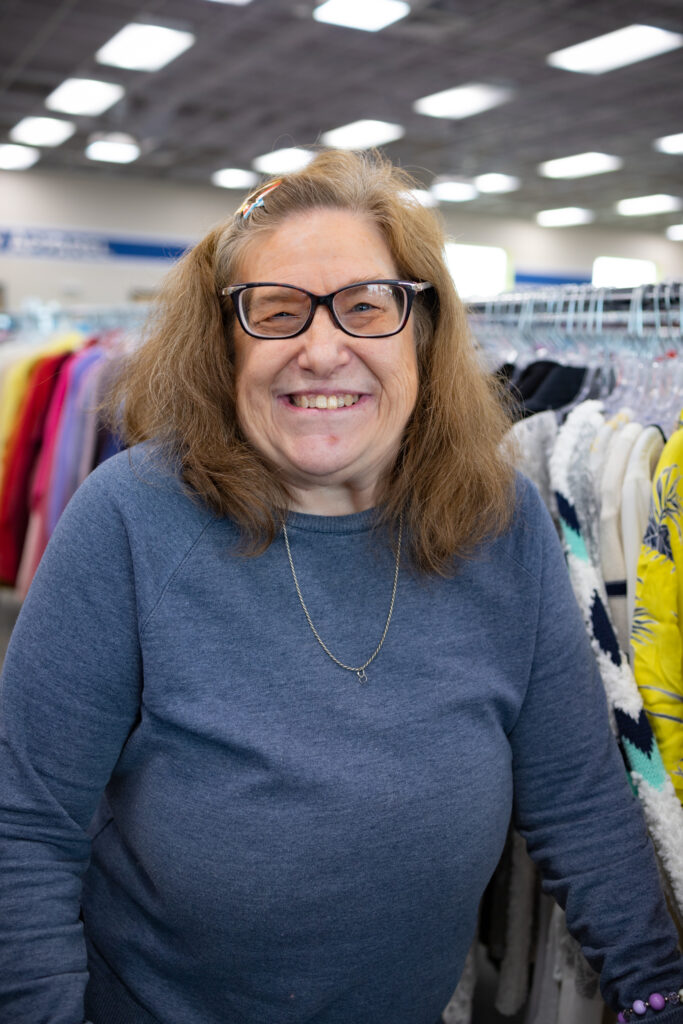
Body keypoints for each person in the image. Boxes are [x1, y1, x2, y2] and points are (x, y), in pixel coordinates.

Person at [0, 149, 681, 1024]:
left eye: (367, 306)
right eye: (274, 312)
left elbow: (579, 800)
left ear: (422, 335)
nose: (323, 350)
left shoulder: (500, 518)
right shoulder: (129, 520)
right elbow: (24, 831)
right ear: (222, 346)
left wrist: (657, 990)